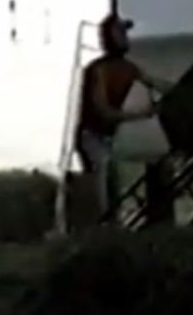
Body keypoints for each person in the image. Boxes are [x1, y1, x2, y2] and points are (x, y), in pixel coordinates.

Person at [75, 14, 174, 225]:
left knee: (113, 192)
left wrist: (179, 90)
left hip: (107, 138)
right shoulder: (98, 71)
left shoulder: (128, 68)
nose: (126, 39)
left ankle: (111, 232)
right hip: (91, 138)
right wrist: (142, 114)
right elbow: (104, 112)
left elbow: (155, 82)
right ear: (111, 38)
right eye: (121, 33)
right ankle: (99, 235)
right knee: (101, 193)